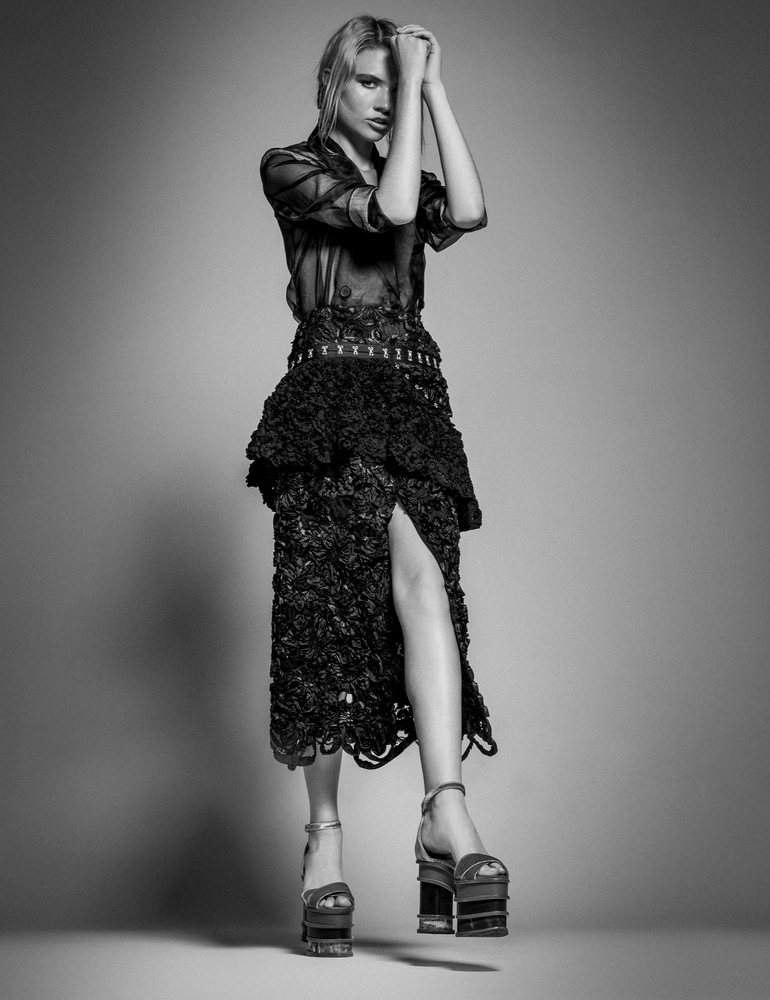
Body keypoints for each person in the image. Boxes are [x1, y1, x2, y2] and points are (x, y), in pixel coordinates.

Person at [246, 15, 508, 956]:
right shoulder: (291, 167)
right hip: (326, 402)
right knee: (320, 619)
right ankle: (325, 842)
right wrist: (409, 77)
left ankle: (446, 814)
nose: (386, 100)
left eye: (393, 85)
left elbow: (467, 210)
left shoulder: (410, 159)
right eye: (372, 81)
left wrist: (432, 86)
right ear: (333, 85)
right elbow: (390, 210)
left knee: (426, 586)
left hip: (411, 402)